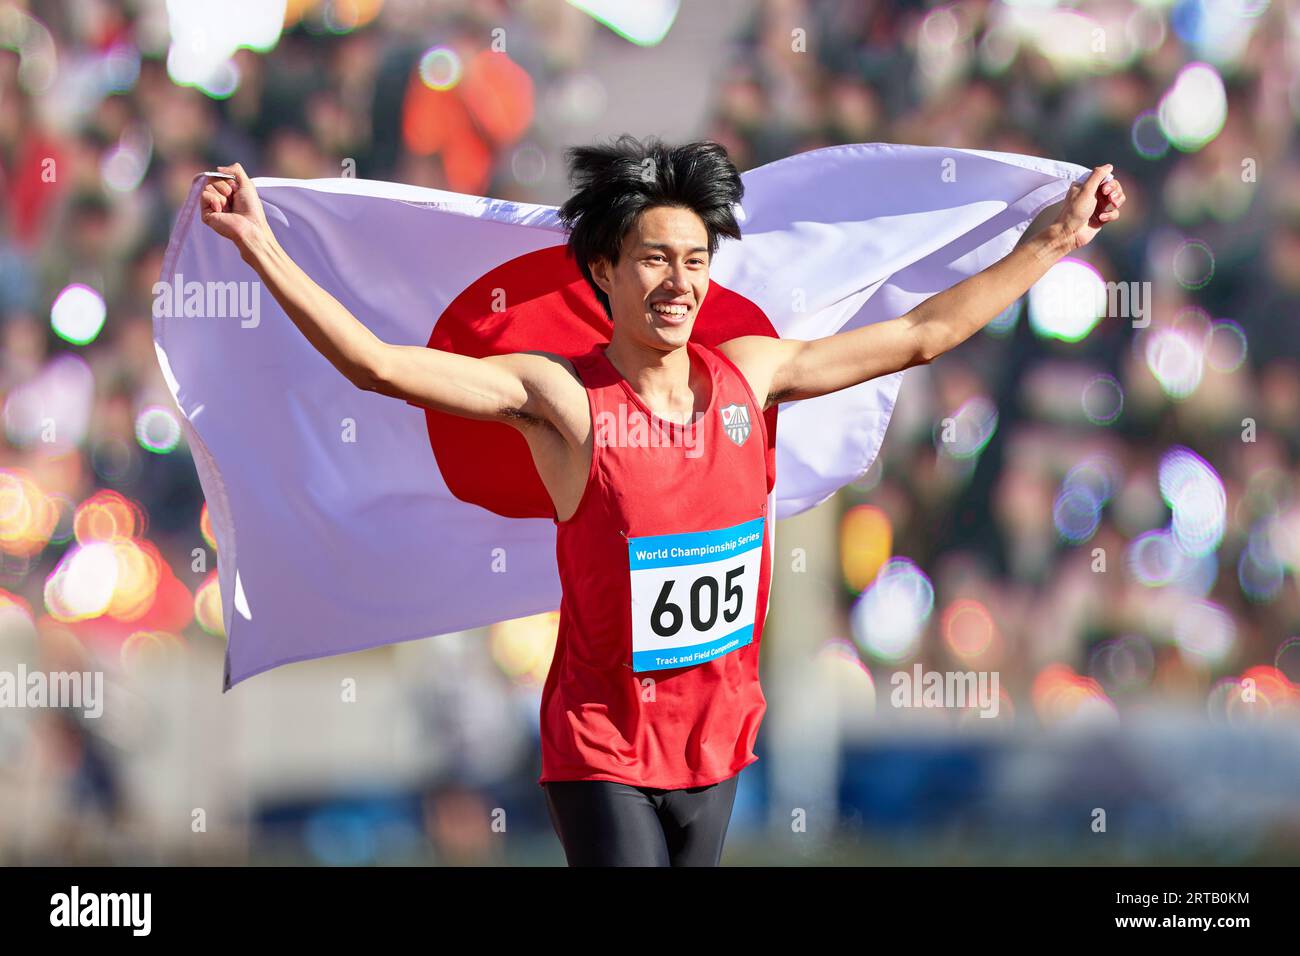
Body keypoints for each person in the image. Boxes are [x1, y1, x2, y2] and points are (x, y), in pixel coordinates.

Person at [197, 136, 1125, 866]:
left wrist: (1052, 240)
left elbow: (923, 333)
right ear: (604, 273)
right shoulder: (561, 400)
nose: (677, 284)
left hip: (715, 738)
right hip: (601, 748)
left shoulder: (753, 376)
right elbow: (379, 366)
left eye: (693, 261)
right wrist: (259, 244)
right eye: (653, 260)